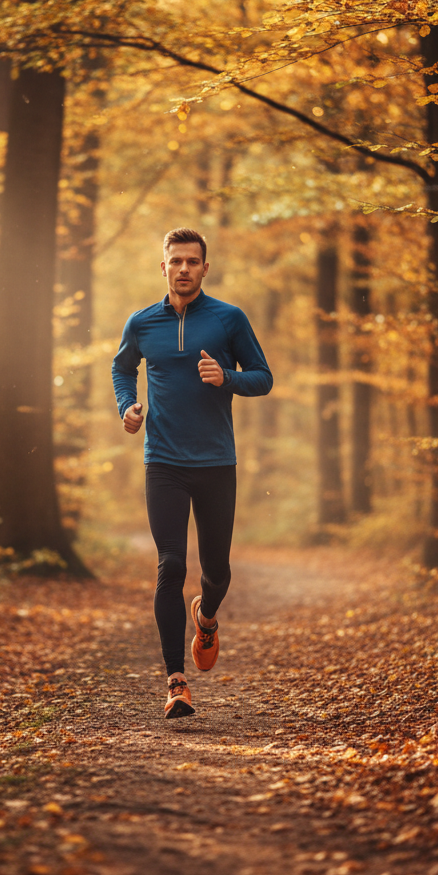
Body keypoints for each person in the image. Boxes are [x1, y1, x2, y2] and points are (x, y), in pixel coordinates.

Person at [112, 227, 273, 718]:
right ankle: (175, 681)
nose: (183, 269)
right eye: (175, 261)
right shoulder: (142, 323)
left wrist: (227, 377)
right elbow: (122, 369)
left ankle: (206, 615)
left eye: (192, 261)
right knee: (170, 565)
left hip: (216, 462)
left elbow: (263, 378)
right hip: (162, 462)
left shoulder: (228, 319)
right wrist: (128, 406)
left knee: (217, 571)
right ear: (162, 267)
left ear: (206, 267)